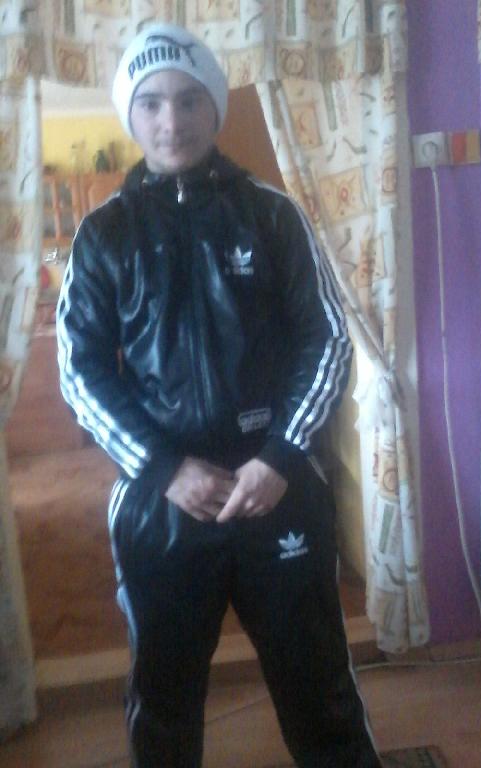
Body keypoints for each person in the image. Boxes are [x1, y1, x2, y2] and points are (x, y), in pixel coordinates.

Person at [57, 22, 383, 768]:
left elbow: (327, 341)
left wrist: (280, 457)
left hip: (277, 489)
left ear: (214, 107)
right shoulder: (103, 235)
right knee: (164, 701)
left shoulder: (272, 214)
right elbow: (80, 371)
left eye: (189, 99)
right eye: (151, 103)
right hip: (163, 501)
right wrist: (164, 468)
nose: (171, 120)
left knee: (320, 688)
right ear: (130, 115)